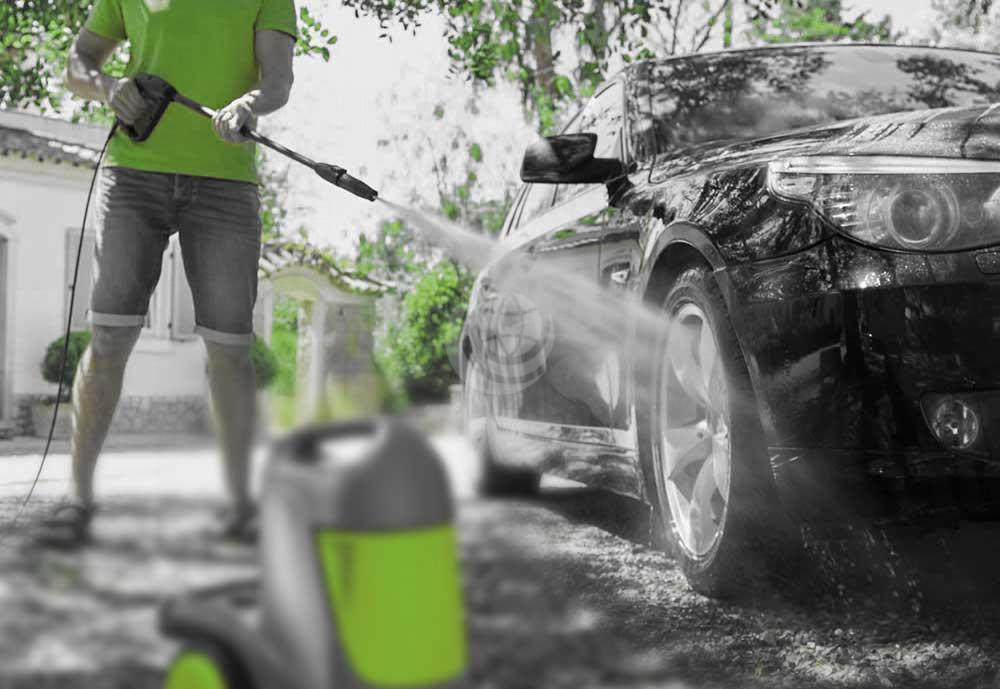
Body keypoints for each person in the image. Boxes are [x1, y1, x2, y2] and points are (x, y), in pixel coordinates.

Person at [42, 0, 298, 546]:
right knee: (109, 335)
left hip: (226, 184)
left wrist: (249, 103)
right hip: (134, 178)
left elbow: (278, 76)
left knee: (230, 347)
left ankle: (240, 507)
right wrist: (107, 87)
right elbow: (78, 61)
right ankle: (77, 499)